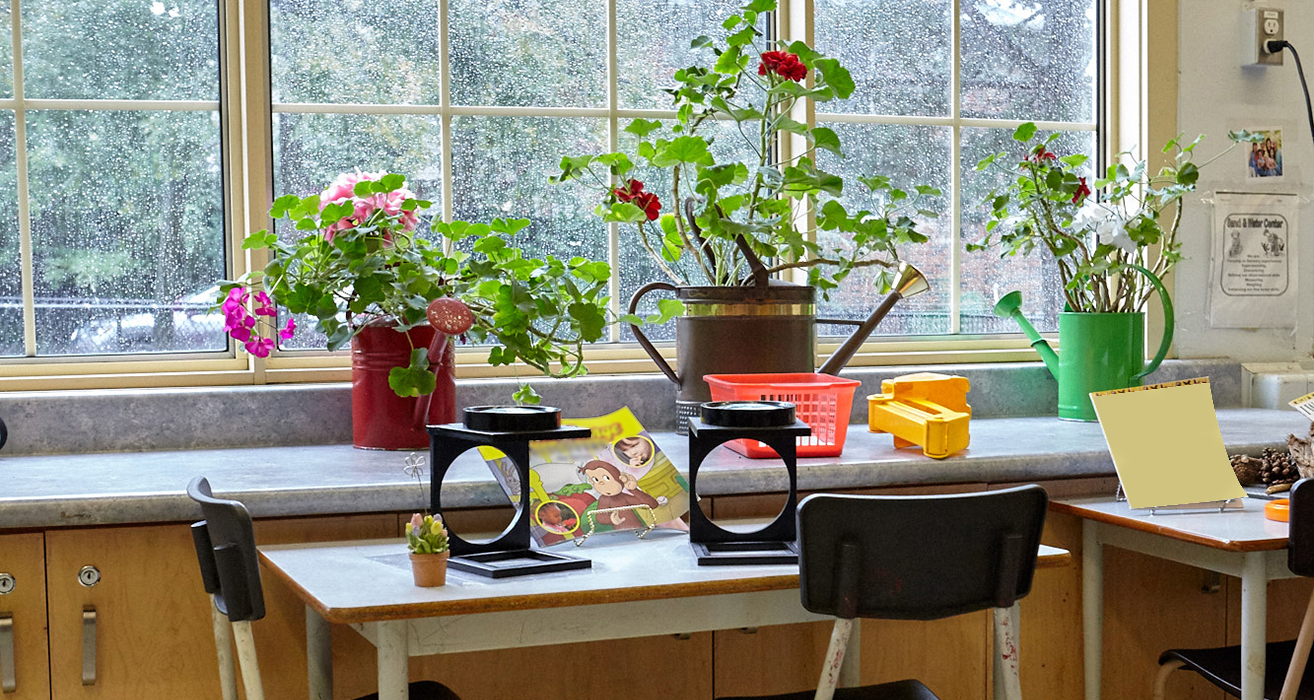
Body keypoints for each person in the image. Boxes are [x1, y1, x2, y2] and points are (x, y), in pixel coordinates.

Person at [580, 460, 660, 529]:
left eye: (606, 478)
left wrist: (634, 490)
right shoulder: (604, 500)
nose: (601, 483)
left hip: (638, 529)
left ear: (619, 478)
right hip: (621, 533)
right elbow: (600, 517)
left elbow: (652, 504)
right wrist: (611, 519)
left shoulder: (623, 497)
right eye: (595, 480)